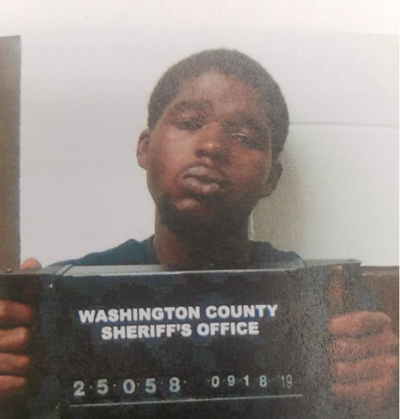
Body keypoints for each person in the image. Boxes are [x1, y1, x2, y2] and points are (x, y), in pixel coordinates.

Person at [0, 49, 398, 416]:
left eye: (245, 138)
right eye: (189, 123)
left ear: (271, 178)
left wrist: (382, 396)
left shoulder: (326, 299)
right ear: (145, 148)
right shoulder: (62, 298)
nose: (212, 145)